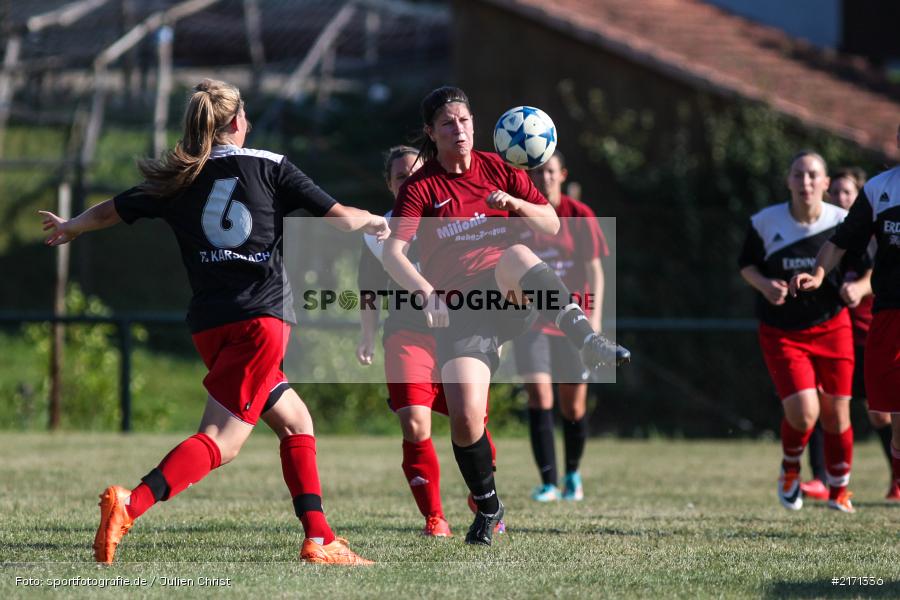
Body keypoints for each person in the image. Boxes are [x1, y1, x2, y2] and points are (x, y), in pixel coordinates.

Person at [40, 79, 382, 565]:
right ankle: (130, 504)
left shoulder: (180, 176)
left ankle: (320, 538)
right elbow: (342, 218)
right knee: (223, 441)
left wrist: (72, 225)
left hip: (209, 325)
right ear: (238, 120)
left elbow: (113, 209)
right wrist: (376, 220)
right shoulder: (271, 165)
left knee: (296, 421)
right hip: (260, 321)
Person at [382, 86, 630, 545]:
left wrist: (517, 204)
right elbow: (393, 253)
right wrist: (426, 292)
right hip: (463, 311)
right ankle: (489, 507)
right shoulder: (421, 187)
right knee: (465, 419)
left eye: (464, 120)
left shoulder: (498, 167)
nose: (459, 130)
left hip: (508, 292)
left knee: (515, 253)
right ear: (431, 133)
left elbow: (551, 223)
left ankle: (587, 339)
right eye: (447, 124)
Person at [356, 145, 503, 537]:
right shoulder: (380, 233)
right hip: (408, 335)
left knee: (472, 422)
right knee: (414, 421)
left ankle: (483, 497)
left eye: (416, 173)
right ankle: (435, 517)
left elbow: (487, 272)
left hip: (462, 333)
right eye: (400, 177)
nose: (410, 181)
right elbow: (368, 290)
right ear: (390, 185)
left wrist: (498, 328)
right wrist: (367, 335)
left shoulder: (455, 216)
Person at [738, 150, 868, 514]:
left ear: (826, 183)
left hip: (832, 325)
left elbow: (870, 268)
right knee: (804, 412)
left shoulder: (842, 221)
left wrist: (860, 288)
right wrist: (765, 285)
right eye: (798, 174)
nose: (805, 182)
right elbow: (746, 265)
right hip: (782, 330)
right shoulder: (765, 221)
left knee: (837, 414)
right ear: (788, 181)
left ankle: (839, 490)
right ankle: (791, 467)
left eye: (813, 175)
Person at [792, 146, 900, 502]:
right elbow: (839, 242)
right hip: (889, 316)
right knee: (891, 419)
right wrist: (818, 274)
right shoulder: (880, 190)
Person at [513, 151, 609, 502]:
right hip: (532, 322)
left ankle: (571, 475)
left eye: (551, 171)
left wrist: (593, 318)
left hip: (572, 322)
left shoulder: (579, 215)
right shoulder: (519, 216)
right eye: (538, 172)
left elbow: (595, 270)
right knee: (540, 396)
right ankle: (548, 483)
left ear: (563, 174)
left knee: (573, 407)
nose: (545, 178)